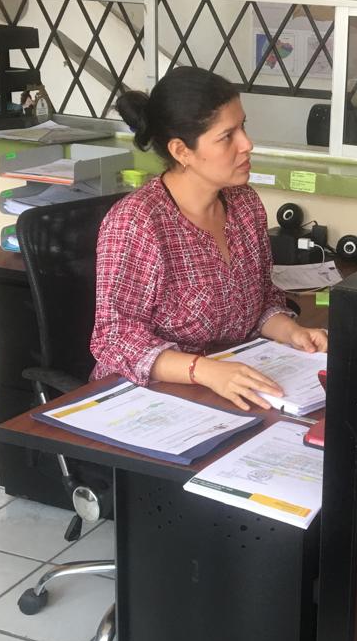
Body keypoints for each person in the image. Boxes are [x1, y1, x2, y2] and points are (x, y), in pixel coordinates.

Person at [90, 67, 327, 410]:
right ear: (181, 151)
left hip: (230, 385)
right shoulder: (138, 222)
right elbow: (115, 340)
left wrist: (294, 333)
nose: (247, 144)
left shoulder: (244, 204)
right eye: (227, 136)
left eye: (243, 127)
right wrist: (203, 371)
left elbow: (261, 302)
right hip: (145, 399)